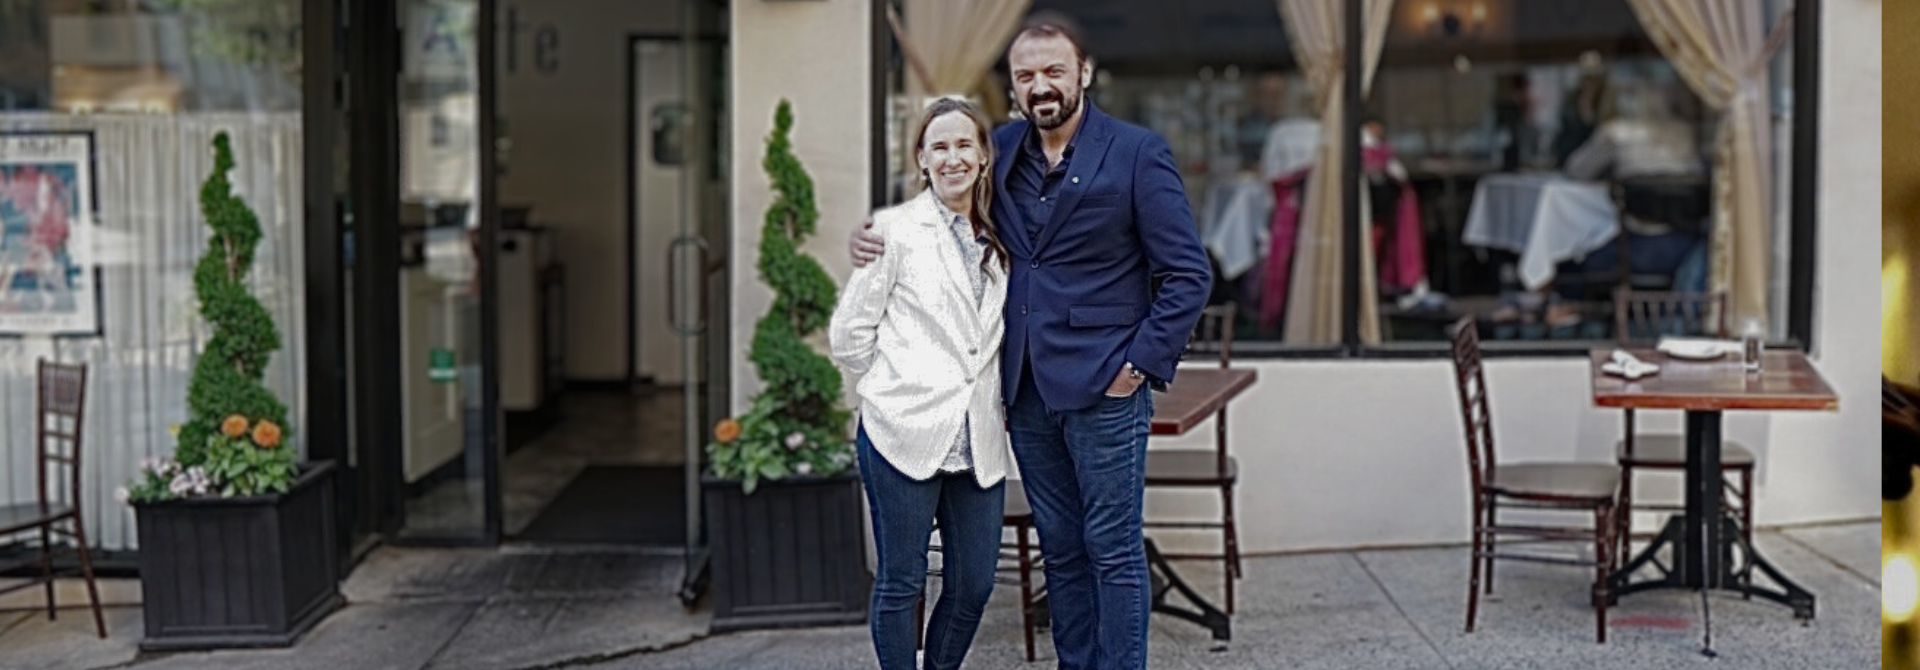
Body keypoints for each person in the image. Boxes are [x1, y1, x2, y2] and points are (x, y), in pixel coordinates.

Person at [851, 11, 1213, 669]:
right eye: (1025, 75)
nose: (1040, 84)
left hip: (1107, 387)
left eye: (1053, 71)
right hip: (1022, 392)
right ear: (1013, 87)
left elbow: (1188, 275)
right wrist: (873, 237)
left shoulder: (1137, 152)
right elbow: (944, 208)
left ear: (1084, 74)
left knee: (1113, 547)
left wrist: (1138, 364)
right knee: (1062, 548)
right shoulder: (1004, 148)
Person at [829, 97, 1014, 670]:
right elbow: (848, 336)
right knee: (902, 581)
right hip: (901, 434)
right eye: (940, 146)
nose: (953, 156)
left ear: (984, 157)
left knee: (974, 584)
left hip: (977, 439)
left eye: (965, 144)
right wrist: (899, 387)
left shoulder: (1005, 234)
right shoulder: (892, 231)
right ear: (922, 160)